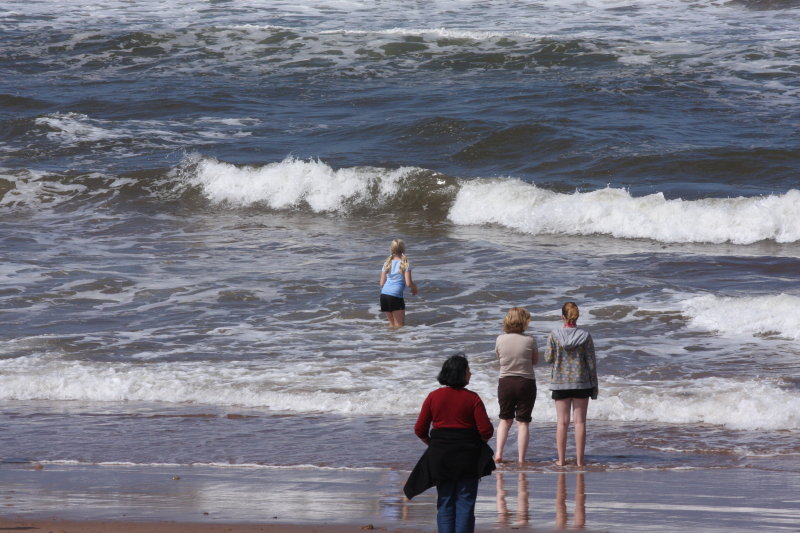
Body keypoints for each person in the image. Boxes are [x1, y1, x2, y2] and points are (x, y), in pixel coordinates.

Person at [404, 353, 495, 533]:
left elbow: (419, 429)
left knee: (445, 502)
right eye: (468, 370)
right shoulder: (473, 398)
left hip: (441, 456)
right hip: (468, 457)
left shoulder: (433, 397)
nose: (471, 373)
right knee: (465, 502)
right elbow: (486, 430)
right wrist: (475, 444)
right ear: (460, 374)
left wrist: (433, 444)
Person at [544, 302, 598, 467]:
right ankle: (580, 461)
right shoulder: (585, 335)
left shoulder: (554, 335)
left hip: (560, 382)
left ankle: (561, 460)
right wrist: (594, 386)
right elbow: (591, 363)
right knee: (580, 422)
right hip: (581, 383)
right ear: (577, 316)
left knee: (562, 422)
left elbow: (547, 358)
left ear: (563, 317)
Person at [494, 307, 539, 464]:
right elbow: (535, 361)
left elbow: (499, 358)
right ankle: (521, 459)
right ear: (524, 322)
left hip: (505, 382)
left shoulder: (500, 339)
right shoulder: (530, 340)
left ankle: (499, 453)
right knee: (523, 422)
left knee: (504, 419)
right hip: (525, 382)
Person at [379, 238, 418, 327]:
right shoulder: (405, 263)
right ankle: (399, 341)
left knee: (391, 325)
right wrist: (414, 288)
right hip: (395, 296)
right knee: (399, 327)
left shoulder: (387, 263)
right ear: (403, 249)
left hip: (384, 295)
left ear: (391, 249)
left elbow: (381, 283)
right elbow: (408, 283)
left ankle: (389, 340)